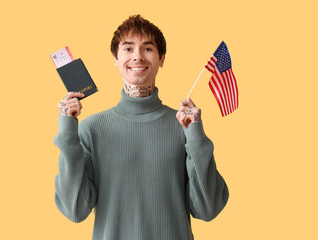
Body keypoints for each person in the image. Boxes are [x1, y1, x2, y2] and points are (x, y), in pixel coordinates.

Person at [54, 14, 229, 240]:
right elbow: (75, 211)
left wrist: (195, 136)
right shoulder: (91, 129)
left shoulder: (184, 126)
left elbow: (207, 209)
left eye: (147, 49)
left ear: (161, 58)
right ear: (115, 59)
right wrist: (68, 131)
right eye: (128, 49)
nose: (137, 56)